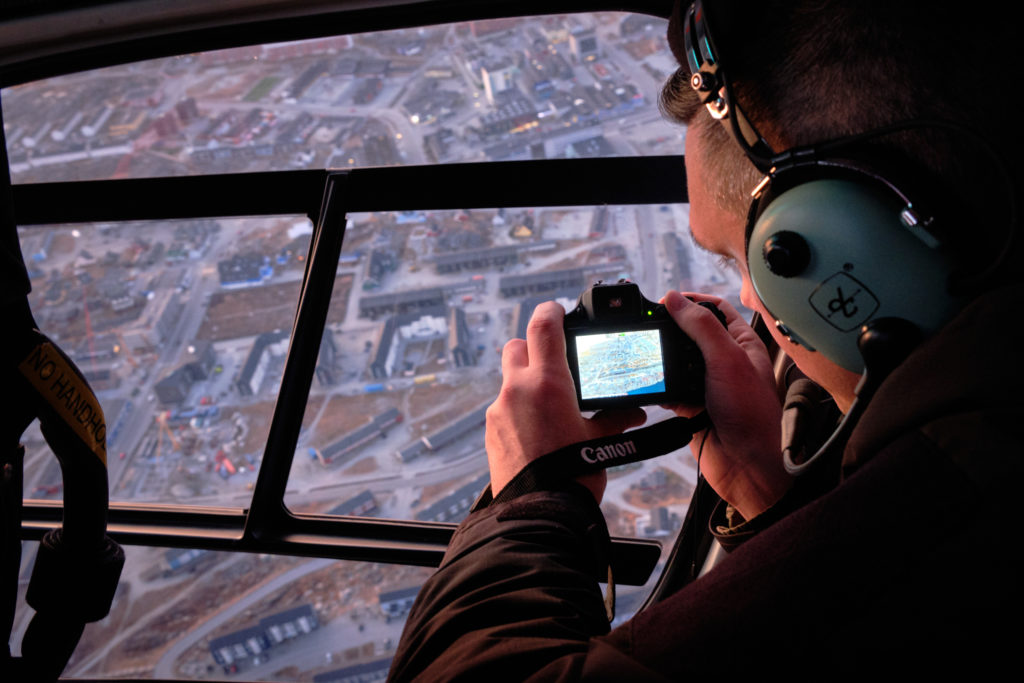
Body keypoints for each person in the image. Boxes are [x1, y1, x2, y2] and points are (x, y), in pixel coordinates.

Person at [388, 1, 1024, 679]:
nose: (751, 299)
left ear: (850, 253)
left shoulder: (936, 511)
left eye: (750, 258)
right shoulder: (977, 436)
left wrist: (529, 504)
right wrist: (769, 494)